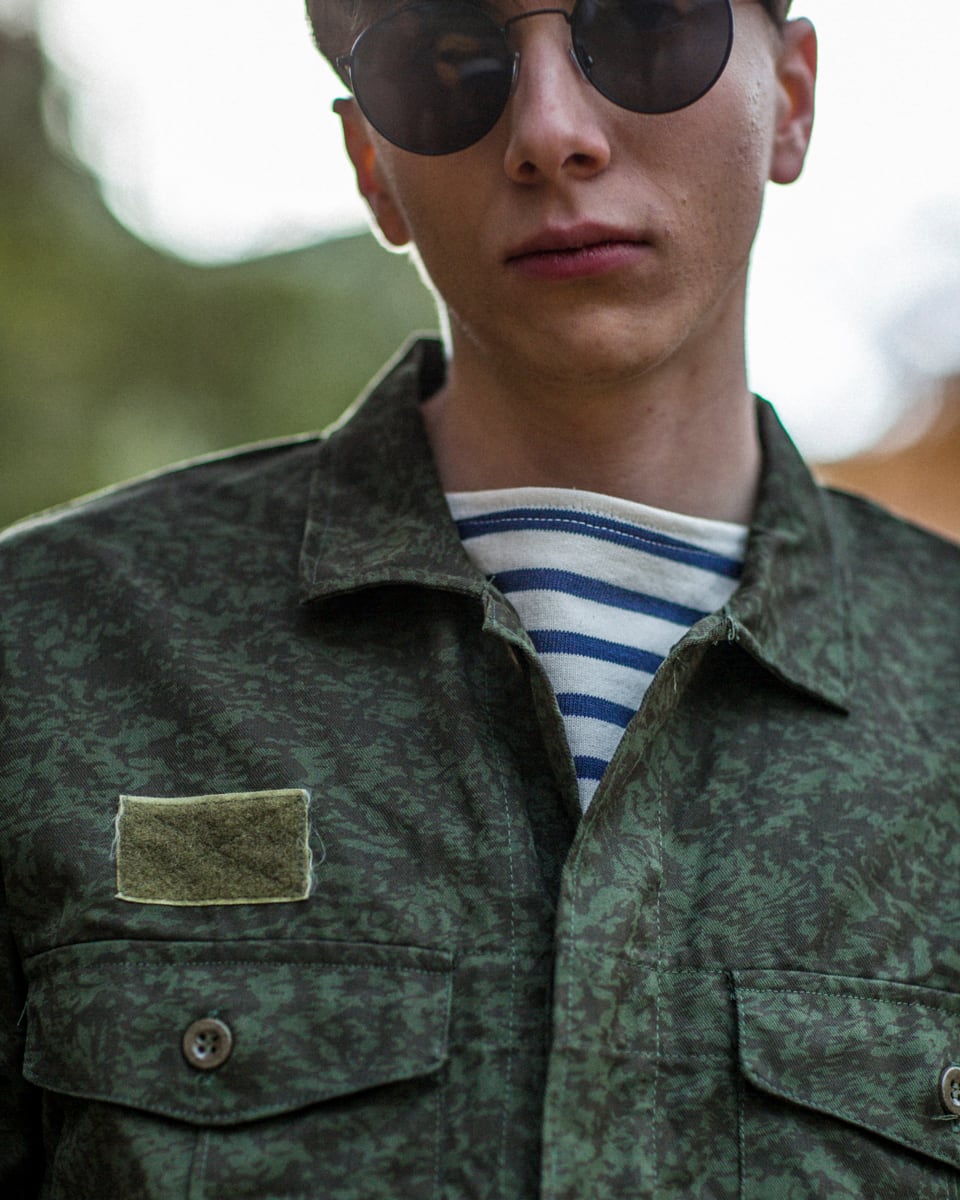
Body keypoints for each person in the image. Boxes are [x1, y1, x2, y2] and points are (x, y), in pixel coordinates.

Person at [1, 1, 958, 1196]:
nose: (550, 132)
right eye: (446, 60)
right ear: (372, 165)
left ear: (795, 99)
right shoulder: (43, 648)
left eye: (647, 30)